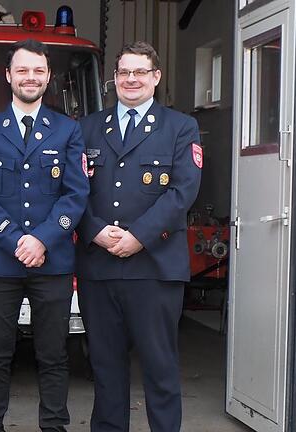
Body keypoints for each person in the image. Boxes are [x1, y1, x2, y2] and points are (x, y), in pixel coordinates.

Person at [76, 41, 202, 432]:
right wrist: (94, 232)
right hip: (100, 267)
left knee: (160, 368)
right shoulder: (87, 127)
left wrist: (139, 237)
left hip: (154, 266)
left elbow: (183, 191)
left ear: (156, 77)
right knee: (106, 368)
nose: (131, 79)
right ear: (113, 79)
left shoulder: (181, 127)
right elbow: (70, 189)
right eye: (124, 72)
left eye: (140, 72)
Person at [0, 39, 89, 432]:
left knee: (53, 354)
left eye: (38, 70)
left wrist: (43, 240)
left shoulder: (68, 131)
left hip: (50, 260)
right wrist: (16, 240)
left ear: (48, 76)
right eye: (22, 70)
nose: (30, 77)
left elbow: (76, 194)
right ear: (8, 76)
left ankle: (54, 425)